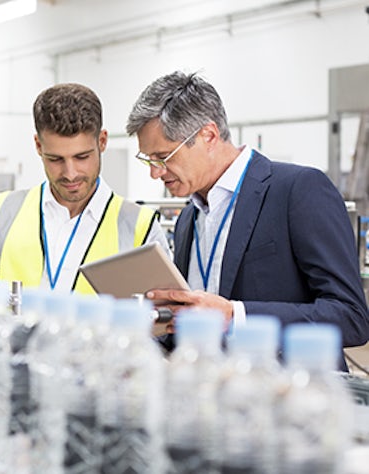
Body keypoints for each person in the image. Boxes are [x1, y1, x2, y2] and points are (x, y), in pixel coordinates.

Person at [126, 71, 369, 363]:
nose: (155, 172)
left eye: (163, 157)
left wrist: (235, 315)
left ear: (208, 135)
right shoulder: (188, 218)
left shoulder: (298, 190)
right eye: (148, 160)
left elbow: (351, 317)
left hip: (288, 395)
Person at [0, 83, 169, 294]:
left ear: (102, 141)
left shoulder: (141, 228)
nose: (70, 173)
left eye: (82, 157)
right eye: (55, 159)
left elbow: (158, 320)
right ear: (38, 145)